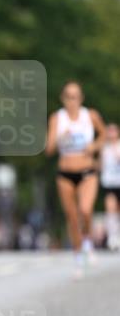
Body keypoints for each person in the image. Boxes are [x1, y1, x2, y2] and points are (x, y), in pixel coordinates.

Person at [45, 81, 105, 277]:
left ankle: (87, 242)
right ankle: (78, 257)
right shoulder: (57, 118)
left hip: (87, 170)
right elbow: (49, 149)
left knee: (85, 211)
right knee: (72, 217)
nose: (72, 101)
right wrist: (60, 138)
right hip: (65, 173)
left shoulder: (91, 116)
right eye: (69, 97)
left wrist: (94, 147)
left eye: (76, 96)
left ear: (81, 98)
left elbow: (103, 135)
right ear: (63, 98)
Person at [100, 123, 120, 251]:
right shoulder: (104, 148)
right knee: (110, 209)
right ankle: (113, 237)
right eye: (109, 131)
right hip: (109, 182)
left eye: (113, 130)